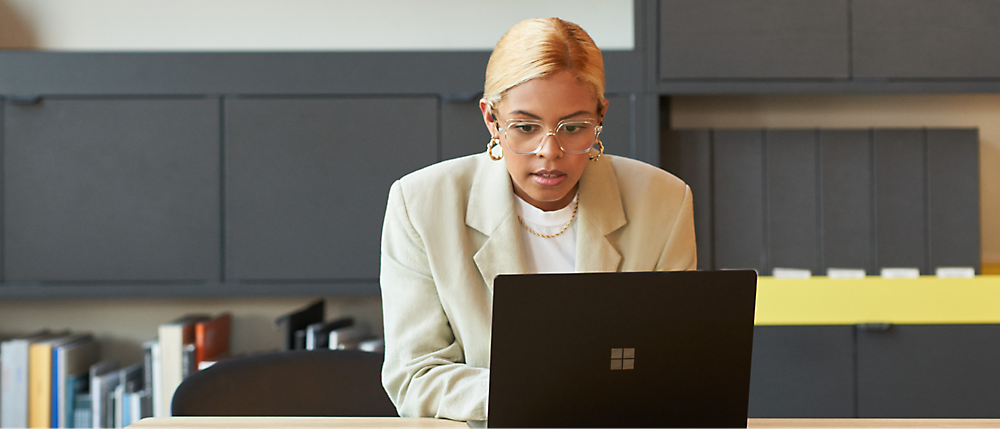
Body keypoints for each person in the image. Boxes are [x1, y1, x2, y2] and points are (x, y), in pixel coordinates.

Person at [379, 17, 696, 421]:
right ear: (491, 119)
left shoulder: (663, 201)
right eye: (525, 127)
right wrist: (541, 392)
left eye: (574, 127)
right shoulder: (421, 203)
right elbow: (415, 377)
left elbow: (675, 367)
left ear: (601, 116)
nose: (550, 150)